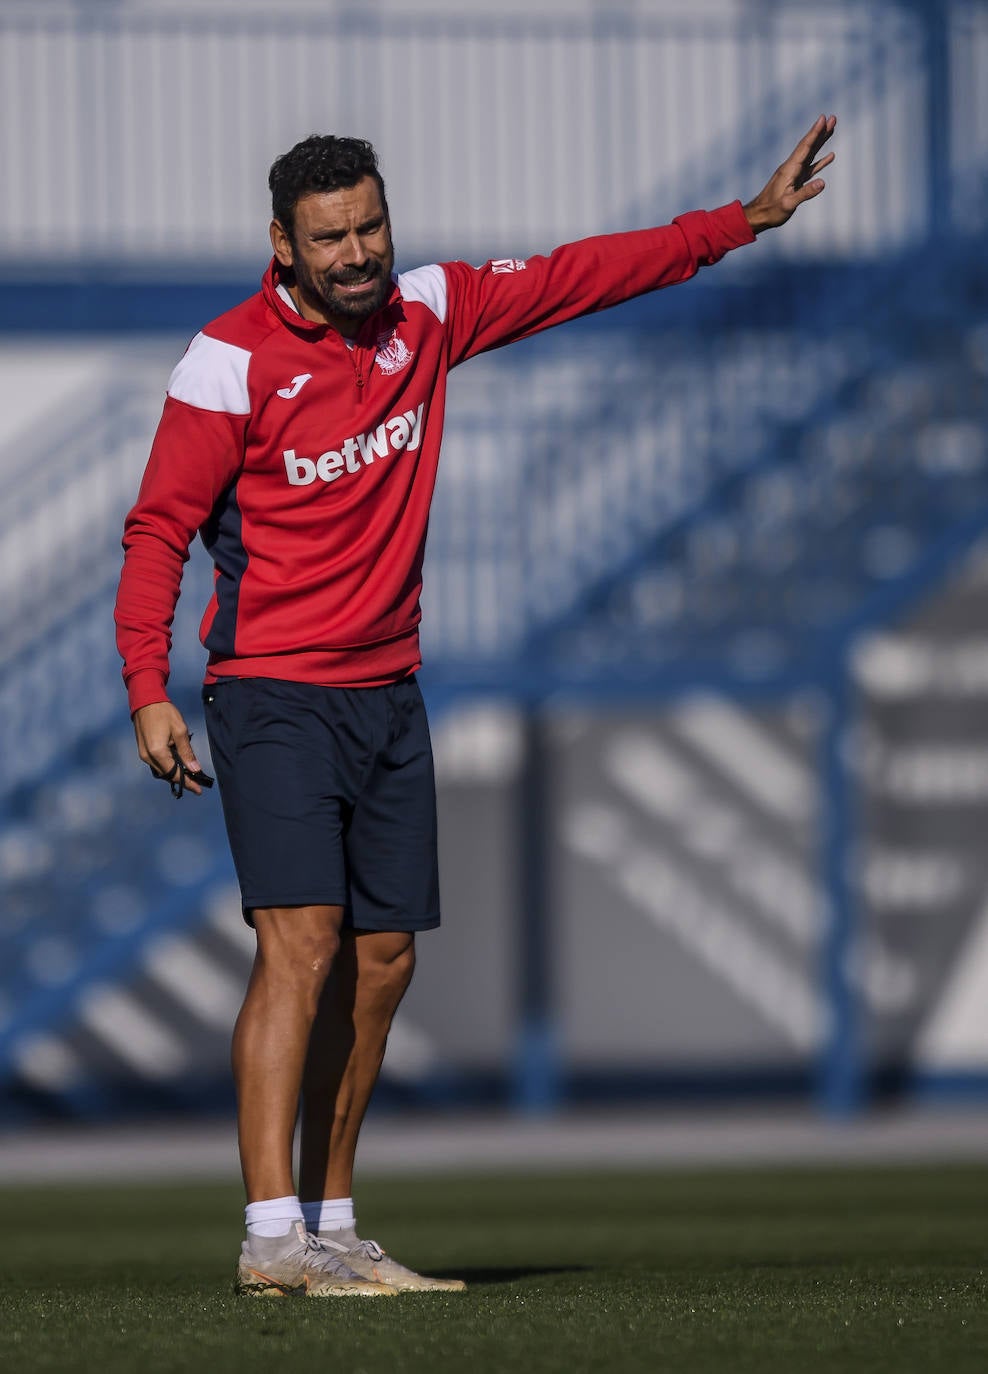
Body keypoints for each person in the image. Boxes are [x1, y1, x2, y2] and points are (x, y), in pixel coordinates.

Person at [114, 116, 837, 1298]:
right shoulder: (226, 362)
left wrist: (736, 225)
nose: (356, 253)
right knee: (300, 946)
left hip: (389, 691)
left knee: (385, 958)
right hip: (271, 693)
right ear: (281, 245)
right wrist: (148, 686)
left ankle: (334, 1222)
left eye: (369, 226)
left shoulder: (430, 312)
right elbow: (157, 533)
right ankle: (267, 1236)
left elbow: (576, 276)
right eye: (328, 236)